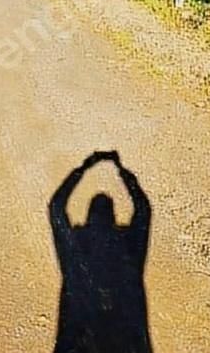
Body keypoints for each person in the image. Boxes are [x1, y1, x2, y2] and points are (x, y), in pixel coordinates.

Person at [49, 150, 152, 353]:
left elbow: (55, 207)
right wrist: (123, 171)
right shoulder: (129, 246)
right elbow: (144, 209)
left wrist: (83, 168)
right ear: (114, 218)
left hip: (77, 343)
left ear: (87, 219)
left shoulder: (75, 248)